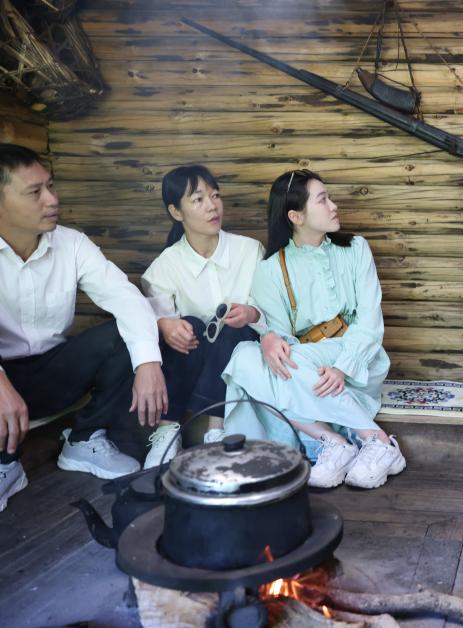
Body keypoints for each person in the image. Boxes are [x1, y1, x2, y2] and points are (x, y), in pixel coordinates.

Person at [0, 144, 167, 511]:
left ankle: (84, 438)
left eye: (50, 186)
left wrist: (148, 363)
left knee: (124, 334)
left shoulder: (71, 244)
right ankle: (5, 464)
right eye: (34, 192)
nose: (51, 199)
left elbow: (125, 298)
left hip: (53, 372)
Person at [222, 169, 404, 489]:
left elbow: (370, 322)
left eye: (329, 197)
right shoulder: (270, 269)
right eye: (323, 200)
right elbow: (281, 334)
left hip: (357, 355)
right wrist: (269, 338)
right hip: (308, 364)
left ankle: (377, 441)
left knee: (290, 362)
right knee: (245, 357)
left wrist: (342, 367)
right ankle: (336, 442)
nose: (333, 206)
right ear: (296, 216)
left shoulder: (356, 248)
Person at [140, 165, 265, 467]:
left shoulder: (250, 251)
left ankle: (216, 431)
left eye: (215, 196)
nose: (212, 206)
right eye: (198, 200)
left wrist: (251, 313)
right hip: (192, 366)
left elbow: (272, 311)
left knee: (232, 329)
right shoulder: (164, 267)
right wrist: (165, 325)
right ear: (176, 212)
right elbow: (148, 327)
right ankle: (167, 431)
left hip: (241, 355)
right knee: (190, 326)